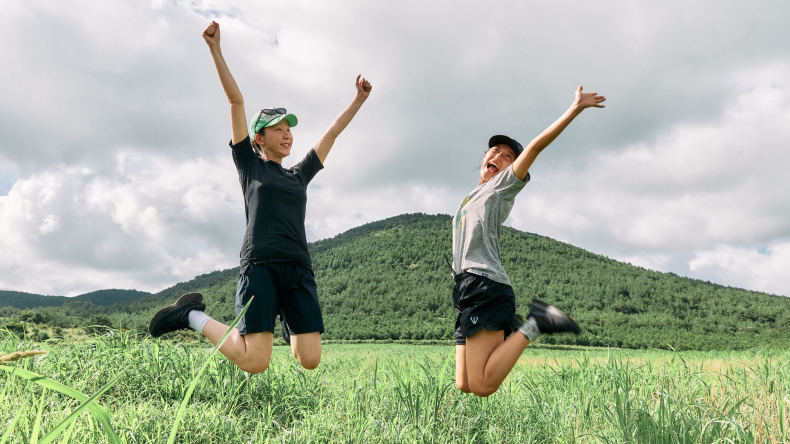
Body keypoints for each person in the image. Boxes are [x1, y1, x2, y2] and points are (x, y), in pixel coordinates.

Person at [148, 21, 372, 373]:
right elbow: (235, 101)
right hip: (261, 265)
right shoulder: (249, 165)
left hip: (298, 268)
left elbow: (331, 133)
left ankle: (281, 312)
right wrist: (215, 49)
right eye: (278, 129)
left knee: (310, 359)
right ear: (258, 138)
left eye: (289, 130)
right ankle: (190, 315)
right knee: (255, 362)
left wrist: (358, 99)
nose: (287, 135)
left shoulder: (299, 174)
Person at [452, 86, 605, 397]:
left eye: (508, 156)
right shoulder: (473, 195)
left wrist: (575, 108)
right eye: (494, 151)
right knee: (464, 383)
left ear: (513, 167)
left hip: (485, 285)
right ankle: (518, 324)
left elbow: (535, 147)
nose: (498, 156)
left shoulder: (501, 187)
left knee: (483, 386)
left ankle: (537, 322)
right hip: (466, 289)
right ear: (484, 157)